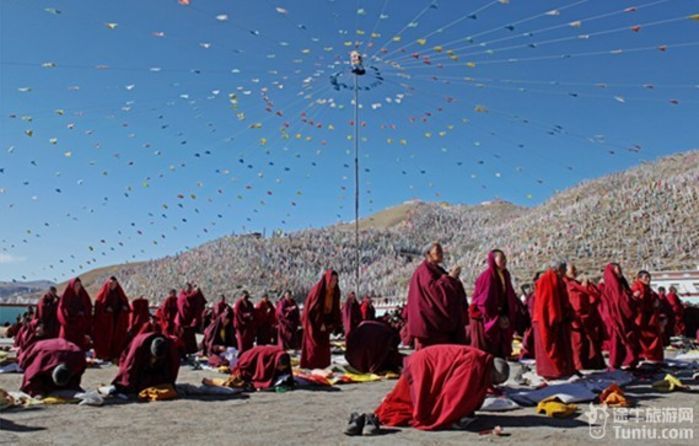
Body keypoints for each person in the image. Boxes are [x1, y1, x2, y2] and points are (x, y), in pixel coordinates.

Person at [372, 345, 509, 431]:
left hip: (426, 360)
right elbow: (454, 394)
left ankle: (382, 410)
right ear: (491, 373)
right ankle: (379, 415)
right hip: (423, 365)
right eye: (494, 381)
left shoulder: (481, 360)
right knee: (418, 408)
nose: (491, 384)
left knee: (409, 400)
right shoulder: (474, 365)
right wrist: (448, 418)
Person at [406, 243, 467, 350]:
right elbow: (435, 292)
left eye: (441, 251)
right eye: (438, 252)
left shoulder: (437, 270)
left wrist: (452, 279)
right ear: (428, 254)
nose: (441, 254)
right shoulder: (424, 271)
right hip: (430, 328)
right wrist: (450, 279)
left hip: (440, 328)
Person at [471, 249, 520, 358]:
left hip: (498, 315)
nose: (504, 261)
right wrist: (496, 319)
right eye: (501, 259)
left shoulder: (505, 275)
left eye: (505, 258)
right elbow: (484, 302)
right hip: (485, 317)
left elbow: (509, 296)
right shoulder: (487, 276)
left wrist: (506, 315)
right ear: (493, 260)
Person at [533, 262, 575, 379]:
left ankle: (562, 369)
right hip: (545, 318)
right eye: (563, 270)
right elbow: (546, 302)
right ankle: (549, 372)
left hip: (557, 317)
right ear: (557, 269)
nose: (564, 273)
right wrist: (552, 316)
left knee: (559, 346)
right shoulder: (547, 280)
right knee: (548, 346)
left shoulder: (558, 280)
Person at [564, 264, 605, 370]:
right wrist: (584, 288)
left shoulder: (575, 284)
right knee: (577, 344)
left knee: (585, 343)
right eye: (572, 270)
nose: (574, 272)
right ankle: (577, 366)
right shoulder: (566, 283)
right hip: (574, 318)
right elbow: (576, 301)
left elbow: (593, 296)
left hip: (583, 318)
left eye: (575, 270)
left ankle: (587, 364)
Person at [112, 332, 180, 394]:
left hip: (158, 367)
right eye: (153, 357)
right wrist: (127, 385)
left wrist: (171, 382)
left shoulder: (170, 345)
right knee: (135, 385)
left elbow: (174, 365)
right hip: (141, 365)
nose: (154, 359)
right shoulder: (139, 345)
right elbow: (130, 366)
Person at [300, 269, 342, 369]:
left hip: (326, 320)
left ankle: (323, 365)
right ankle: (311, 365)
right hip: (314, 322)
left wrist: (333, 323)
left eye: (336, 280)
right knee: (314, 346)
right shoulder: (318, 291)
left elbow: (335, 308)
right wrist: (320, 323)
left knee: (324, 346)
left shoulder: (335, 291)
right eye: (332, 280)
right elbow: (314, 309)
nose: (334, 282)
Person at [601, 263, 639, 370]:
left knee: (624, 340)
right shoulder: (613, 286)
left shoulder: (620, 283)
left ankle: (624, 362)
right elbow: (621, 301)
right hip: (615, 317)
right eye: (618, 270)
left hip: (621, 317)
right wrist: (633, 299)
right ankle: (616, 363)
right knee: (617, 341)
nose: (620, 272)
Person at [20, 338, 86, 398]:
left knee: (71, 386)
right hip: (44, 348)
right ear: (51, 372)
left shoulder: (77, 358)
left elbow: (79, 372)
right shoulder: (42, 358)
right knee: (34, 375)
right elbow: (31, 374)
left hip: (70, 351)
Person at [93, 276, 131, 361]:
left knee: (117, 337)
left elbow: (126, 304)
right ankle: (104, 354)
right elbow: (99, 307)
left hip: (117, 319)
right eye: (111, 284)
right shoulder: (103, 295)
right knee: (106, 337)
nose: (113, 286)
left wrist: (124, 307)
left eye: (115, 284)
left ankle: (115, 354)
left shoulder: (120, 294)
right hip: (106, 321)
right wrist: (106, 310)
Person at [631, 271, 664, 363]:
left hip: (650, 318)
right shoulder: (636, 287)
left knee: (655, 337)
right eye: (646, 277)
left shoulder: (649, 290)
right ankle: (643, 355)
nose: (648, 279)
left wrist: (657, 304)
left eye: (649, 277)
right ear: (639, 278)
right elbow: (632, 301)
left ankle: (652, 356)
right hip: (640, 318)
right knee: (641, 339)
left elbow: (655, 300)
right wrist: (635, 297)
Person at [57, 278, 93, 351]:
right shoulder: (66, 296)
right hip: (69, 323)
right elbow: (62, 309)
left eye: (79, 285)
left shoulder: (83, 295)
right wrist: (70, 316)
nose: (78, 287)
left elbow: (88, 306)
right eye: (76, 285)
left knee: (79, 343)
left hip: (80, 323)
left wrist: (83, 313)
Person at [176, 283, 206, 355]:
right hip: (181, 321)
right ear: (185, 288)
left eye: (191, 289)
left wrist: (197, 293)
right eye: (189, 289)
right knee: (183, 337)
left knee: (190, 336)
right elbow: (187, 300)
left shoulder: (189, 294)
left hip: (189, 321)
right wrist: (195, 293)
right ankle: (182, 351)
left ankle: (190, 351)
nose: (190, 290)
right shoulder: (182, 295)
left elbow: (195, 301)